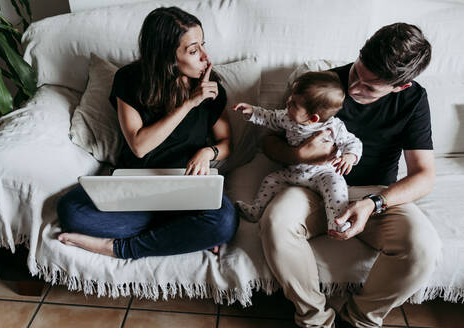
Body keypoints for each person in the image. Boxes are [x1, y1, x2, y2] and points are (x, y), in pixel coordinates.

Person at [259, 23, 442, 327]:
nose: (354, 88)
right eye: (357, 72)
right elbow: (268, 141)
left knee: (424, 248)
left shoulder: (413, 100)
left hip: (375, 193)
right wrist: (300, 154)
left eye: (370, 87)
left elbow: (424, 175)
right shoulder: (324, 86)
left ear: (400, 86)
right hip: (312, 187)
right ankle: (316, 320)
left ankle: (360, 319)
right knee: (276, 223)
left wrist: (373, 203)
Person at [56, 7, 239, 259]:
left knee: (224, 222)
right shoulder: (129, 80)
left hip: (185, 189)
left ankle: (119, 248)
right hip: (136, 186)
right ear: (167, 56)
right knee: (70, 210)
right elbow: (139, 146)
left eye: (203, 46)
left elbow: (226, 142)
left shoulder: (209, 86)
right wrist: (188, 104)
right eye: (193, 50)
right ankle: (180, 234)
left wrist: (208, 152)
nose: (205, 57)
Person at [233, 71, 362, 234]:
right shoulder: (287, 117)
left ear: (313, 118)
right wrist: (252, 112)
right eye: (291, 98)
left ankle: (337, 221)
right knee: (270, 179)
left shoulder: (333, 127)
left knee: (336, 185)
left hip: (322, 173)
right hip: (294, 173)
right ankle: (255, 211)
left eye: (294, 103)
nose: (288, 103)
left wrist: (350, 156)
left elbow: (353, 142)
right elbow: (270, 117)